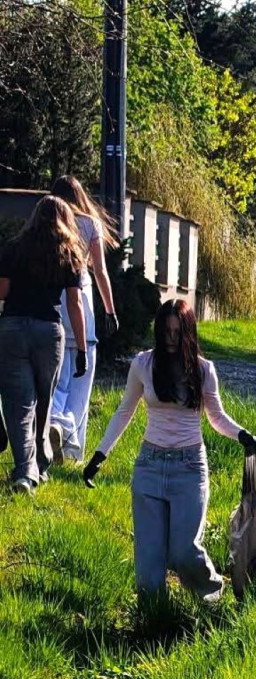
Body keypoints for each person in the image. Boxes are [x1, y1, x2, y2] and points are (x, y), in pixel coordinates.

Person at [82, 299, 256, 601]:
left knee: (183, 552)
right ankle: (155, 618)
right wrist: (100, 454)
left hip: (189, 468)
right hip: (149, 466)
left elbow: (216, 417)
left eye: (177, 333)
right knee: (149, 567)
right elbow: (124, 411)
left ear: (188, 333)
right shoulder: (143, 364)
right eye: (165, 331)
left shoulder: (204, 370)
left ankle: (212, 596)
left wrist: (242, 434)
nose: (170, 339)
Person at [0, 196, 88, 494]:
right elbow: (74, 303)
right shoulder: (69, 252)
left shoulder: (14, 247)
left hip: (13, 329)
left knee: (19, 403)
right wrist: (83, 351)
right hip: (50, 333)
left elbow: (2, 291)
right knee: (44, 400)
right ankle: (38, 461)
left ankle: (27, 471)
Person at [48, 175, 120, 464]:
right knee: (80, 385)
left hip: (53, 308)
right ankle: (71, 448)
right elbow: (100, 272)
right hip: (83, 310)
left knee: (56, 382)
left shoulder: (48, 222)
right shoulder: (91, 224)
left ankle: (52, 424)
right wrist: (110, 311)